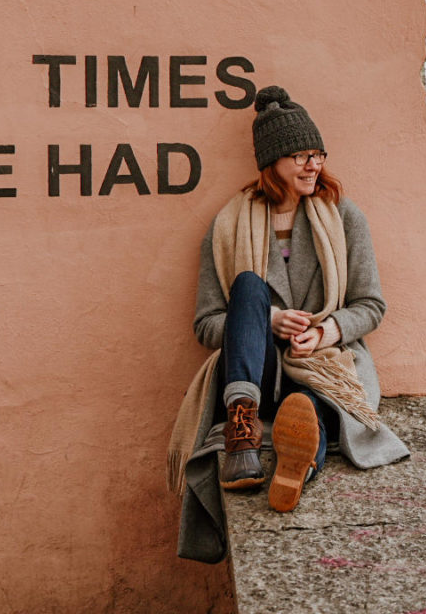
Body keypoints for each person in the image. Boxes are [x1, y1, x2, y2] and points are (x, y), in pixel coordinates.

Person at [168, 85, 408, 562]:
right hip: (255, 372)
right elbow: (206, 325)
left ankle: (297, 467)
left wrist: (324, 331)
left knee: (307, 409)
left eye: (317, 154)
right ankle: (242, 433)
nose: (313, 164)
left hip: (328, 366)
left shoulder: (343, 217)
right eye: (300, 155)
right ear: (273, 161)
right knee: (249, 288)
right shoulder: (229, 224)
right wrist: (265, 320)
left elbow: (371, 305)